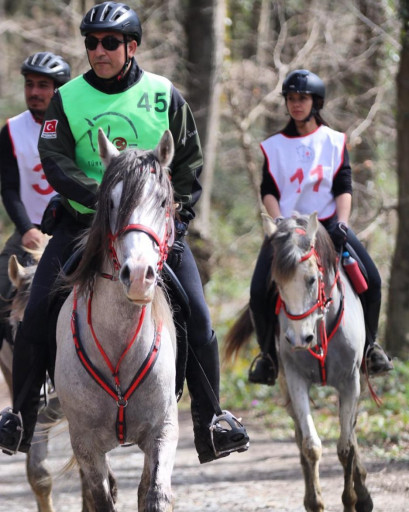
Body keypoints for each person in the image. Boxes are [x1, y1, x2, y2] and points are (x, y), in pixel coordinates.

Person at [0, 2, 249, 464]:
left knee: (197, 313)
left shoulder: (163, 94)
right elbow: (54, 158)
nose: (99, 50)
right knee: (34, 314)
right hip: (83, 227)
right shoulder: (68, 97)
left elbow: (191, 160)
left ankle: (211, 421)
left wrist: (178, 216)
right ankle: (21, 417)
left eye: (109, 42)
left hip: (151, 230)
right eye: (91, 42)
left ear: (131, 47)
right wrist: (101, 202)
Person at [248, 69, 393, 386]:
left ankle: (370, 347)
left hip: (327, 224)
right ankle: (268, 358)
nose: (296, 104)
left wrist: (342, 222)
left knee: (373, 279)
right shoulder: (274, 146)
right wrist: (278, 223)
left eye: (302, 98)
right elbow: (268, 190)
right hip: (287, 228)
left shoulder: (334, 141)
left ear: (316, 102)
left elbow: (344, 185)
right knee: (258, 291)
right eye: (291, 99)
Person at [0, 52, 71, 346]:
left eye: (43, 85)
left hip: (71, 228)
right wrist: (27, 229)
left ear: (58, 89)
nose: (34, 92)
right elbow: (9, 187)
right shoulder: (12, 131)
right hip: (27, 230)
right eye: (30, 84)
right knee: (2, 290)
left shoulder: (76, 127)